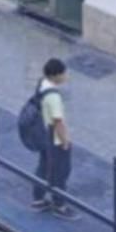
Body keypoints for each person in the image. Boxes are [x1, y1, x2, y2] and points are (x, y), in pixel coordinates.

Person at [30, 58, 77, 218]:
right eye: (64, 73)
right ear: (56, 75)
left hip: (42, 133)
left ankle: (38, 199)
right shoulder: (54, 97)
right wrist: (65, 142)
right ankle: (60, 205)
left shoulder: (41, 84)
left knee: (43, 166)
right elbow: (58, 122)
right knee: (60, 171)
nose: (66, 76)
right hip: (54, 137)